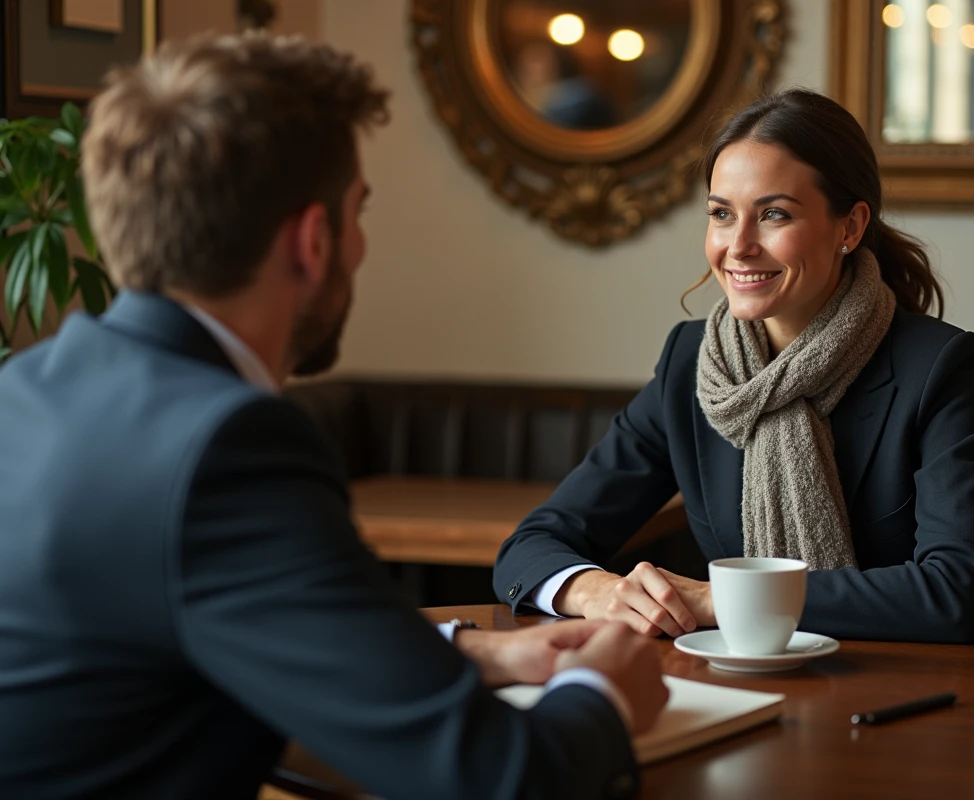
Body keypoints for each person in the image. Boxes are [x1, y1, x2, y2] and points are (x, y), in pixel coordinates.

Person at [0, 33, 667, 800]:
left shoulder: (26, 388)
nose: (360, 245)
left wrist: (475, 653)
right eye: (358, 214)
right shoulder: (227, 447)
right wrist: (605, 693)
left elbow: (188, 619)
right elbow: (504, 781)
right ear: (314, 241)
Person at [493, 88, 974, 647]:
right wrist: (591, 590)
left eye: (774, 214)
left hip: (949, 695)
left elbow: (957, 593)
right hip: (765, 690)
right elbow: (532, 545)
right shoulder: (691, 365)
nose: (740, 246)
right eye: (722, 214)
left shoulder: (937, 366)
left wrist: (721, 598)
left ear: (849, 228)